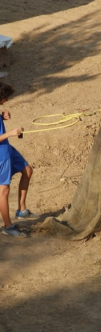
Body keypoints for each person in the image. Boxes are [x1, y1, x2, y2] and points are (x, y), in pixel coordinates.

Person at [0, 82, 39, 237]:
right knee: (3, 191)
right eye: (4, 98)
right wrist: (10, 133)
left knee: (27, 170)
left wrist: (2, 116)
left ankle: (22, 210)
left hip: (7, 149)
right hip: (1, 155)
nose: (6, 101)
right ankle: (8, 226)